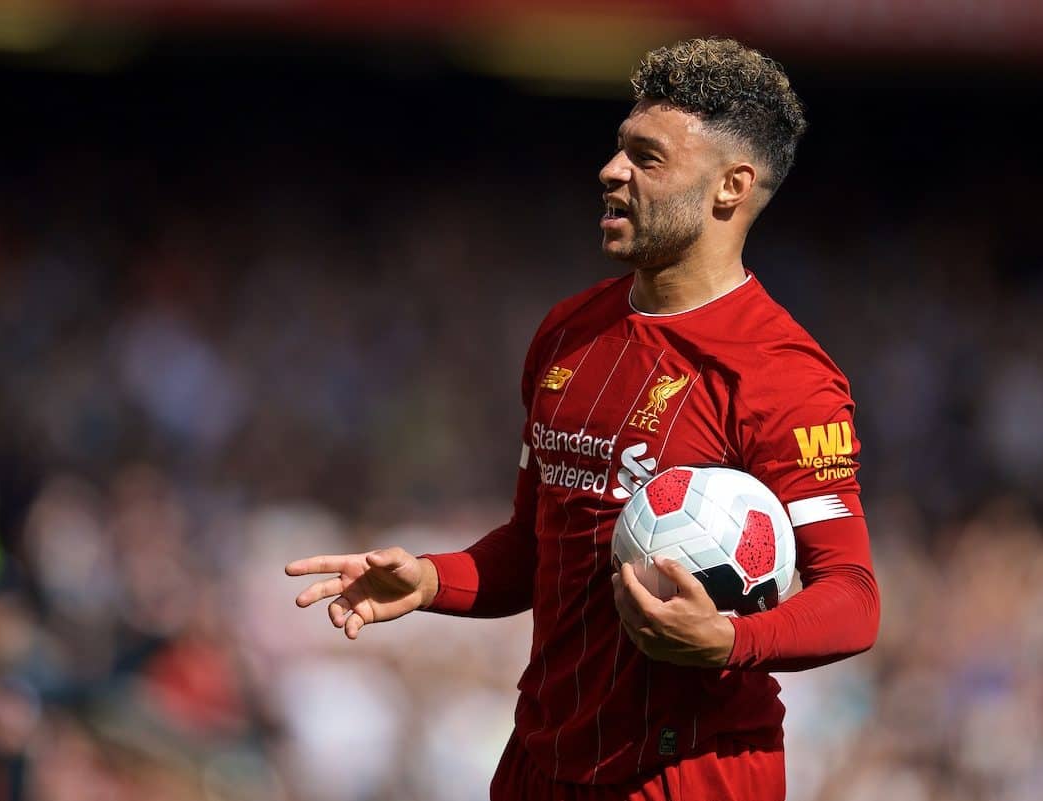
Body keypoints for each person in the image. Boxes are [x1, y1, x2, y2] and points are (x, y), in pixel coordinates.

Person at [286, 37, 880, 800]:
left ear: (730, 188)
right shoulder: (568, 333)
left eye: (648, 157)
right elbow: (536, 550)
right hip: (541, 761)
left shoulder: (781, 375)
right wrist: (433, 578)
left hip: (685, 772)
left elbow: (854, 597)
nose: (611, 170)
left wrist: (728, 640)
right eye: (617, 149)